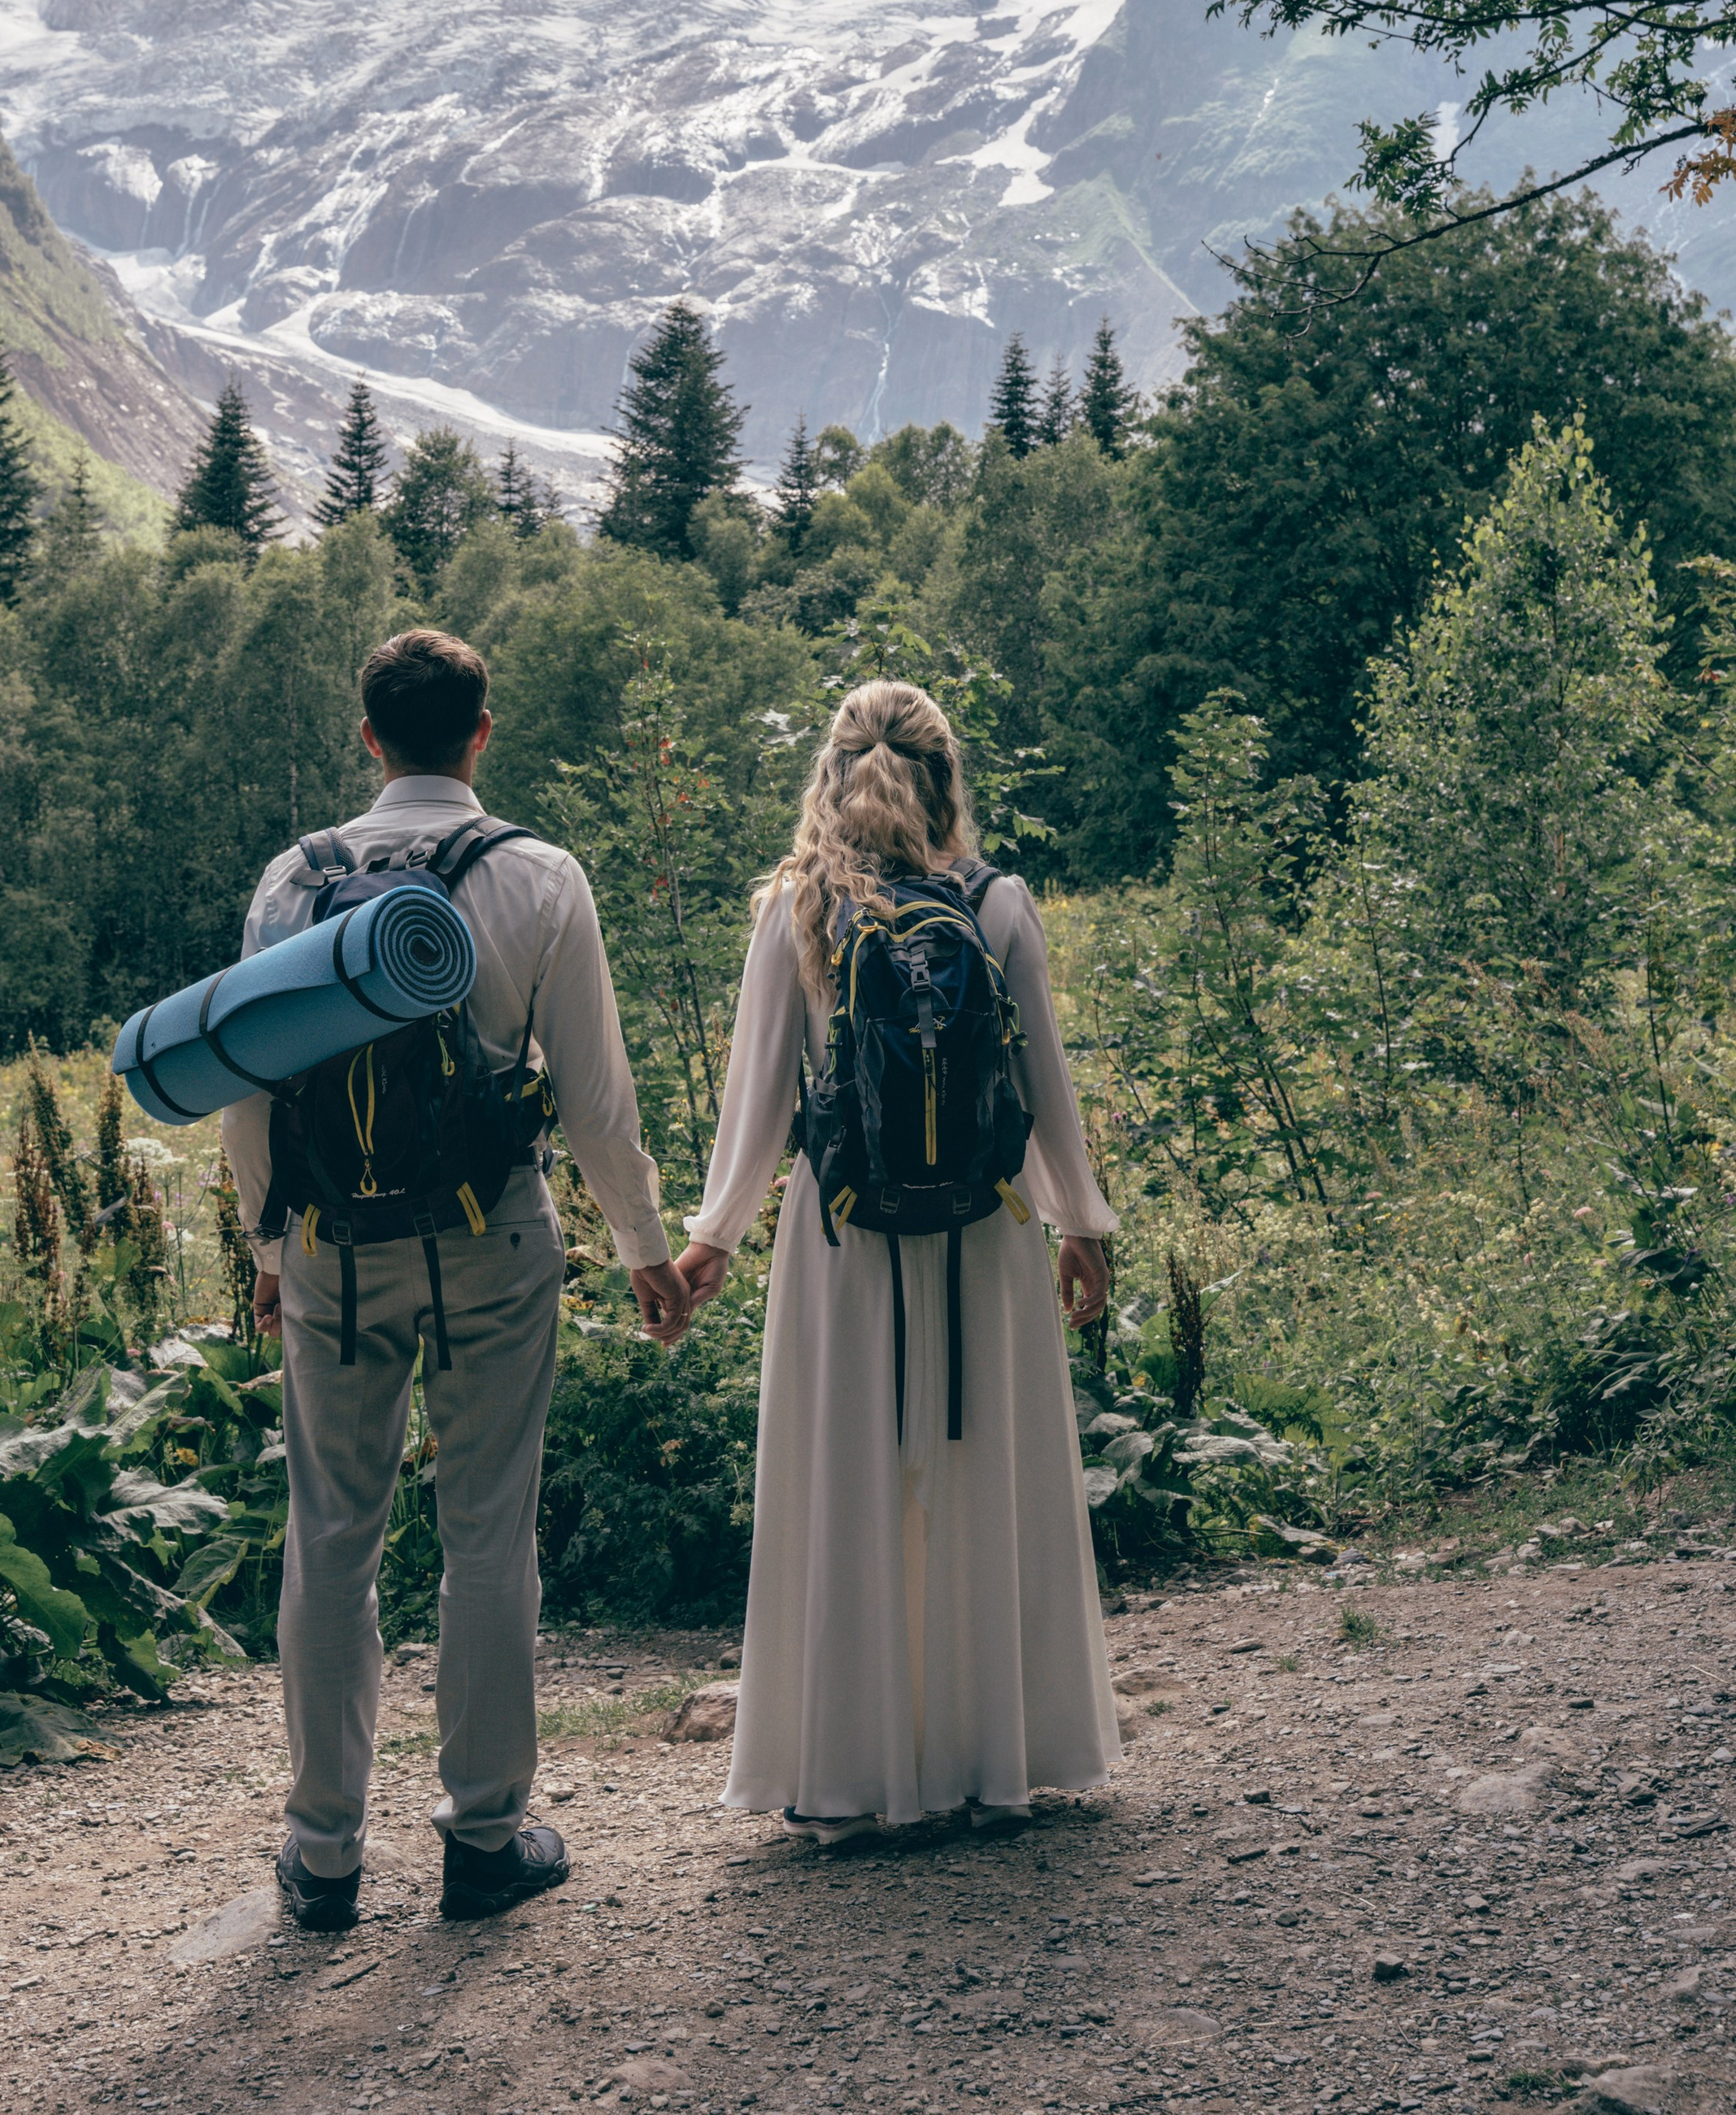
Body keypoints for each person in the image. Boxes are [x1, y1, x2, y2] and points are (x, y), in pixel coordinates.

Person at [221, 625, 690, 1929]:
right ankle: (484, 1840)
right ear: (484, 732)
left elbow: (251, 1094)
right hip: (493, 1238)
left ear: (369, 739)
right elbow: (596, 1100)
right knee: (488, 1529)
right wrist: (645, 1250)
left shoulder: (287, 885)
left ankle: (321, 1858)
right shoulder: (537, 876)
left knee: (331, 1537)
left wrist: (271, 1249)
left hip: (332, 1253)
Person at [672, 679, 1119, 1838]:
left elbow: (759, 1099)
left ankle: (856, 1779)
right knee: (983, 1481)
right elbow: (1043, 1091)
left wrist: (712, 1236)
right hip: (988, 1227)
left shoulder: (799, 911)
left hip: (846, 1233)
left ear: (829, 777)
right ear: (946, 780)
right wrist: (1082, 1225)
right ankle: (990, 1761)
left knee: (853, 1485)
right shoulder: (997, 903)